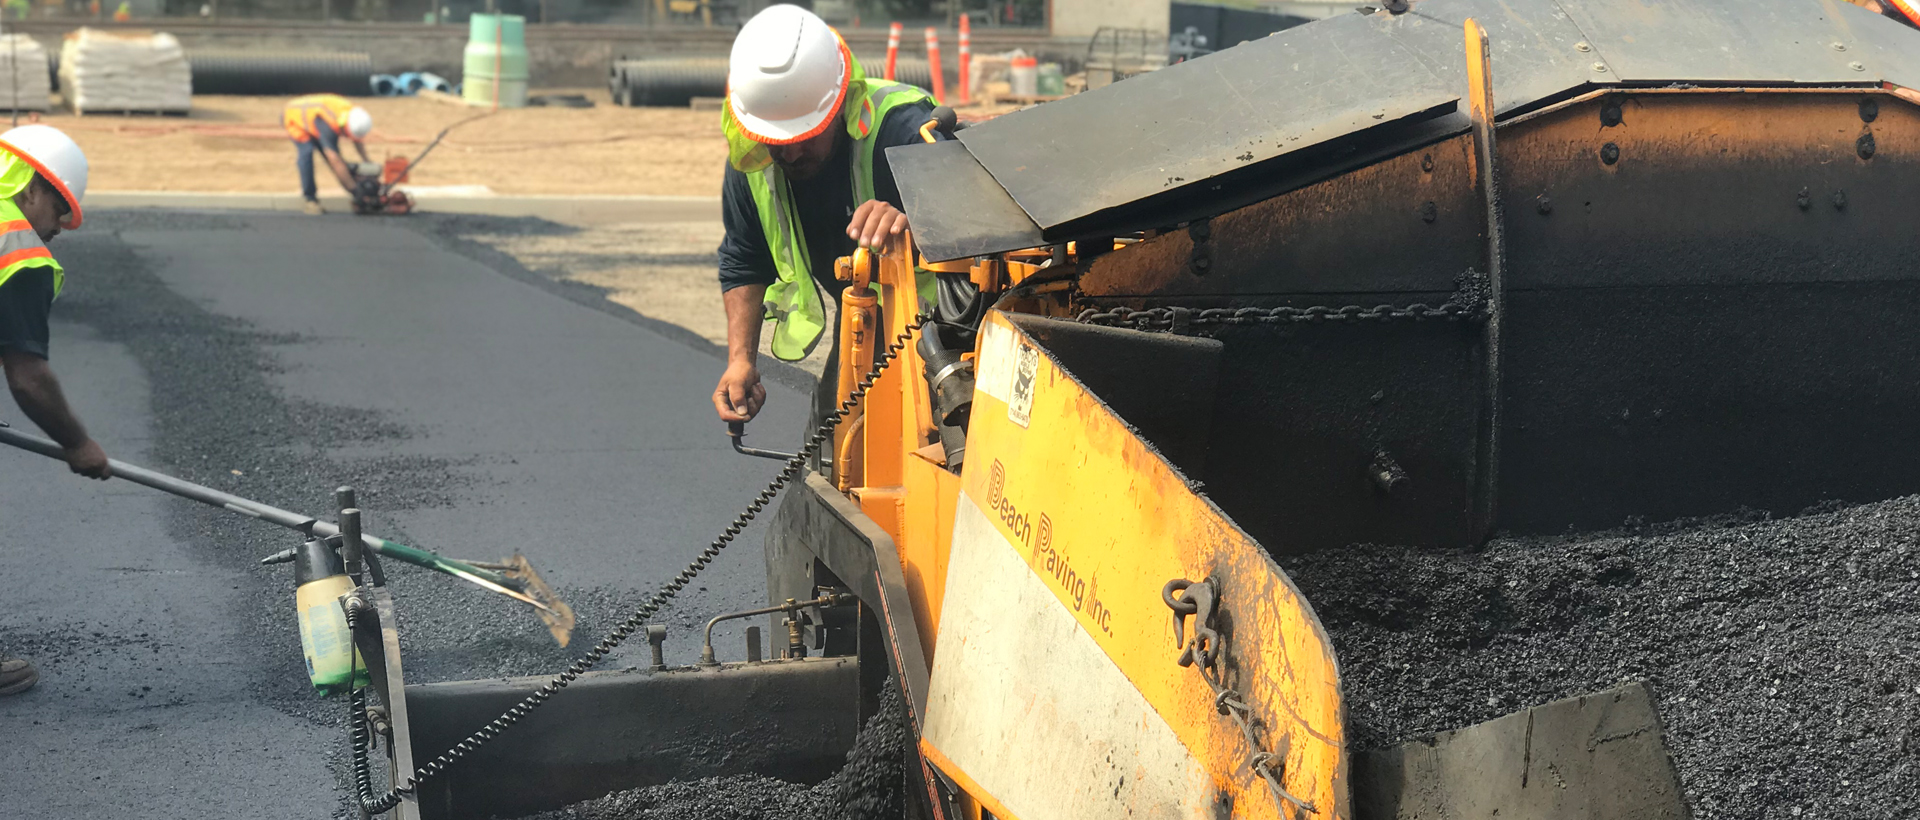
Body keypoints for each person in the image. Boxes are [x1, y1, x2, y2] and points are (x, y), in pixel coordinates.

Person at [712, 4, 944, 436]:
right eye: (777, 141)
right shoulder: (755, 159)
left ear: (839, 104)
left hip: (947, 331)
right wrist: (741, 360)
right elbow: (745, 259)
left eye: (805, 136)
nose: (791, 154)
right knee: (832, 455)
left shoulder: (905, 131)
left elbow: (984, 220)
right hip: (861, 325)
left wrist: (915, 220)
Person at [0, 124, 106, 696]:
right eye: (62, 207)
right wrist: (78, 443)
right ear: (34, 188)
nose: (62, 227)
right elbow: (29, 377)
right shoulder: (16, 245)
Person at [283, 93, 372, 216]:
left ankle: (351, 185)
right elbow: (334, 159)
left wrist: (367, 161)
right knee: (307, 153)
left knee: (337, 160)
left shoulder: (352, 116)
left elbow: (356, 139)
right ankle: (310, 199)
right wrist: (355, 190)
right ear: (343, 127)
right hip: (295, 119)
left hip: (315, 118)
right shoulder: (328, 126)